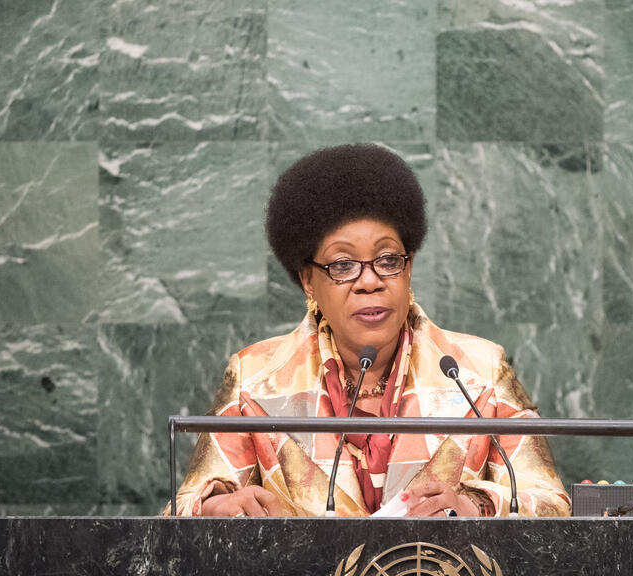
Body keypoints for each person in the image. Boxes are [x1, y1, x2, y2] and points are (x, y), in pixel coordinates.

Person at [169, 144, 569, 518]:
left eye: (387, 259)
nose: (369, 281)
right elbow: (180, 510)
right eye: (343, 265)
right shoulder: (255, 377)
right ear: (308, 281)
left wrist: (474, 506)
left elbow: (551, 502)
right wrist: (214, 508)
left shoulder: (479, 371)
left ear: (409, 268)